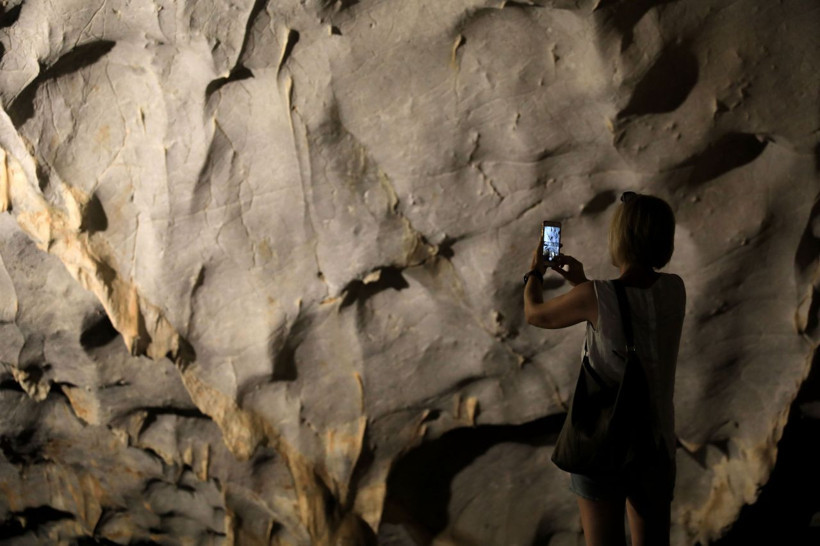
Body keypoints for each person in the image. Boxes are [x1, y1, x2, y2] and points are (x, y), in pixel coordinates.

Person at [522, 192, 685, 546]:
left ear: (621, 237)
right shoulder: (675, 290)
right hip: (655, 444)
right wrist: (582, 283)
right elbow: (628, 312)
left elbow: (534, 313)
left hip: (602, 444)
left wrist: (535, 269)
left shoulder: (595, 296)